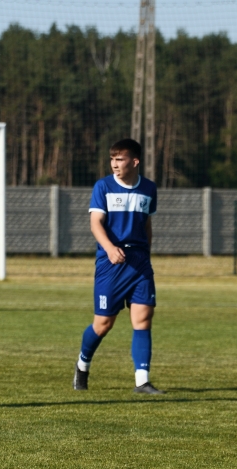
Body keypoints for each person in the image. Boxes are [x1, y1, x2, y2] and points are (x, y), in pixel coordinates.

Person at [73, 138, 163, 394]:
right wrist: (110, 249)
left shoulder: (149, 188)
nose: (114, 164)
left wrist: (146, 254)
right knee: (103, 323)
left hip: (139, 263)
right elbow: (96, 223)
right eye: (112, 159)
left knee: (143, 318)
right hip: (110, 263)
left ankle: (142, 381)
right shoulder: (103, 187)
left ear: (135, 161)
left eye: (120, 159)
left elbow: (147, 224)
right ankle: (82, 365)